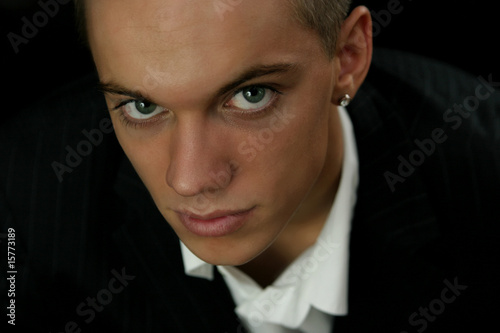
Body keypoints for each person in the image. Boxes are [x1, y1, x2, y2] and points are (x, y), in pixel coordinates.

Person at [1, 0, 499, 332]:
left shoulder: (481, 172)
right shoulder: (25, 202)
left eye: (250, 95)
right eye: (143, 107)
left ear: (348, 58)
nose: (189, 178)